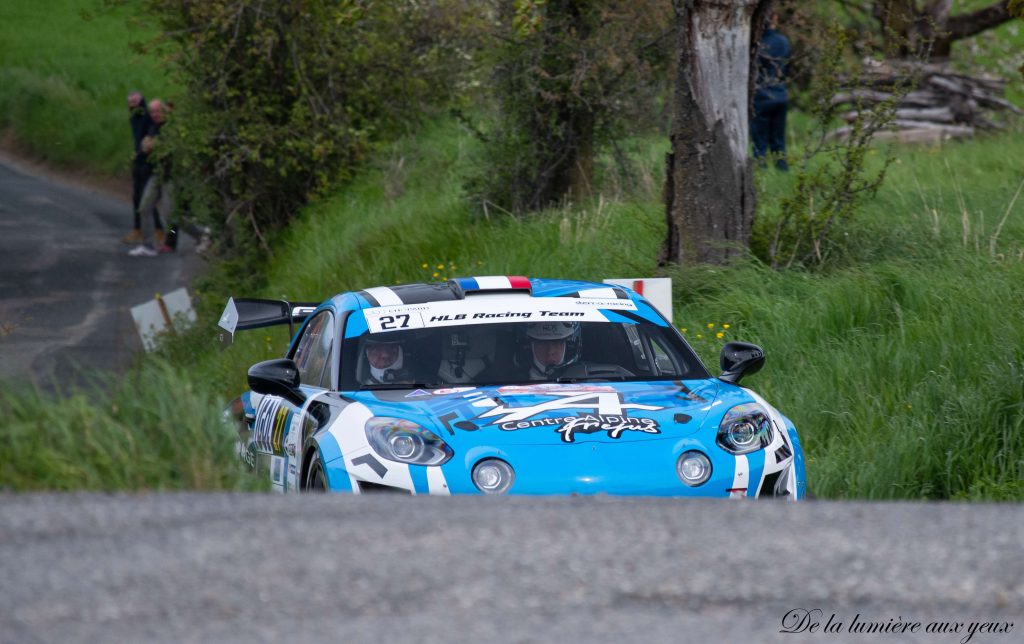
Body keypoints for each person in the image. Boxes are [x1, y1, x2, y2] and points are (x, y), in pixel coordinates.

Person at [129, 99, 172, 257]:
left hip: (171, 175)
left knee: (171, 215)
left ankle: (196, 234)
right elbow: (145, 146)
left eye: (157, 111)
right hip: (157, 173)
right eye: (152, 112)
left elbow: (161, 148)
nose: (155, 115)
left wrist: (153, 146)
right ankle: (147, 245)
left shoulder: (171, 128)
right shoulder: (153, 128)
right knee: (144, 207)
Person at [122, 91, 163, 244]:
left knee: (146, 200)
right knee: (138, 198)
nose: (133, 105)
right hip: (139, 161)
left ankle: (159, 231)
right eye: (130, 103)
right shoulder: (134, 117)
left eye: (136, 102)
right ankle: (140, 230)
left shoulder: (148, 117)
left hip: (148, 162)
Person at [751, 12, 791, 171]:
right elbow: (786, 69)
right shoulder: (783, 41)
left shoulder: (756, 43)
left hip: (761, 96)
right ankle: (782, 170)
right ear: (774, 19)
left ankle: (761, 173)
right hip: (780, 94)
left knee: (759, 141)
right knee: (778, 140)